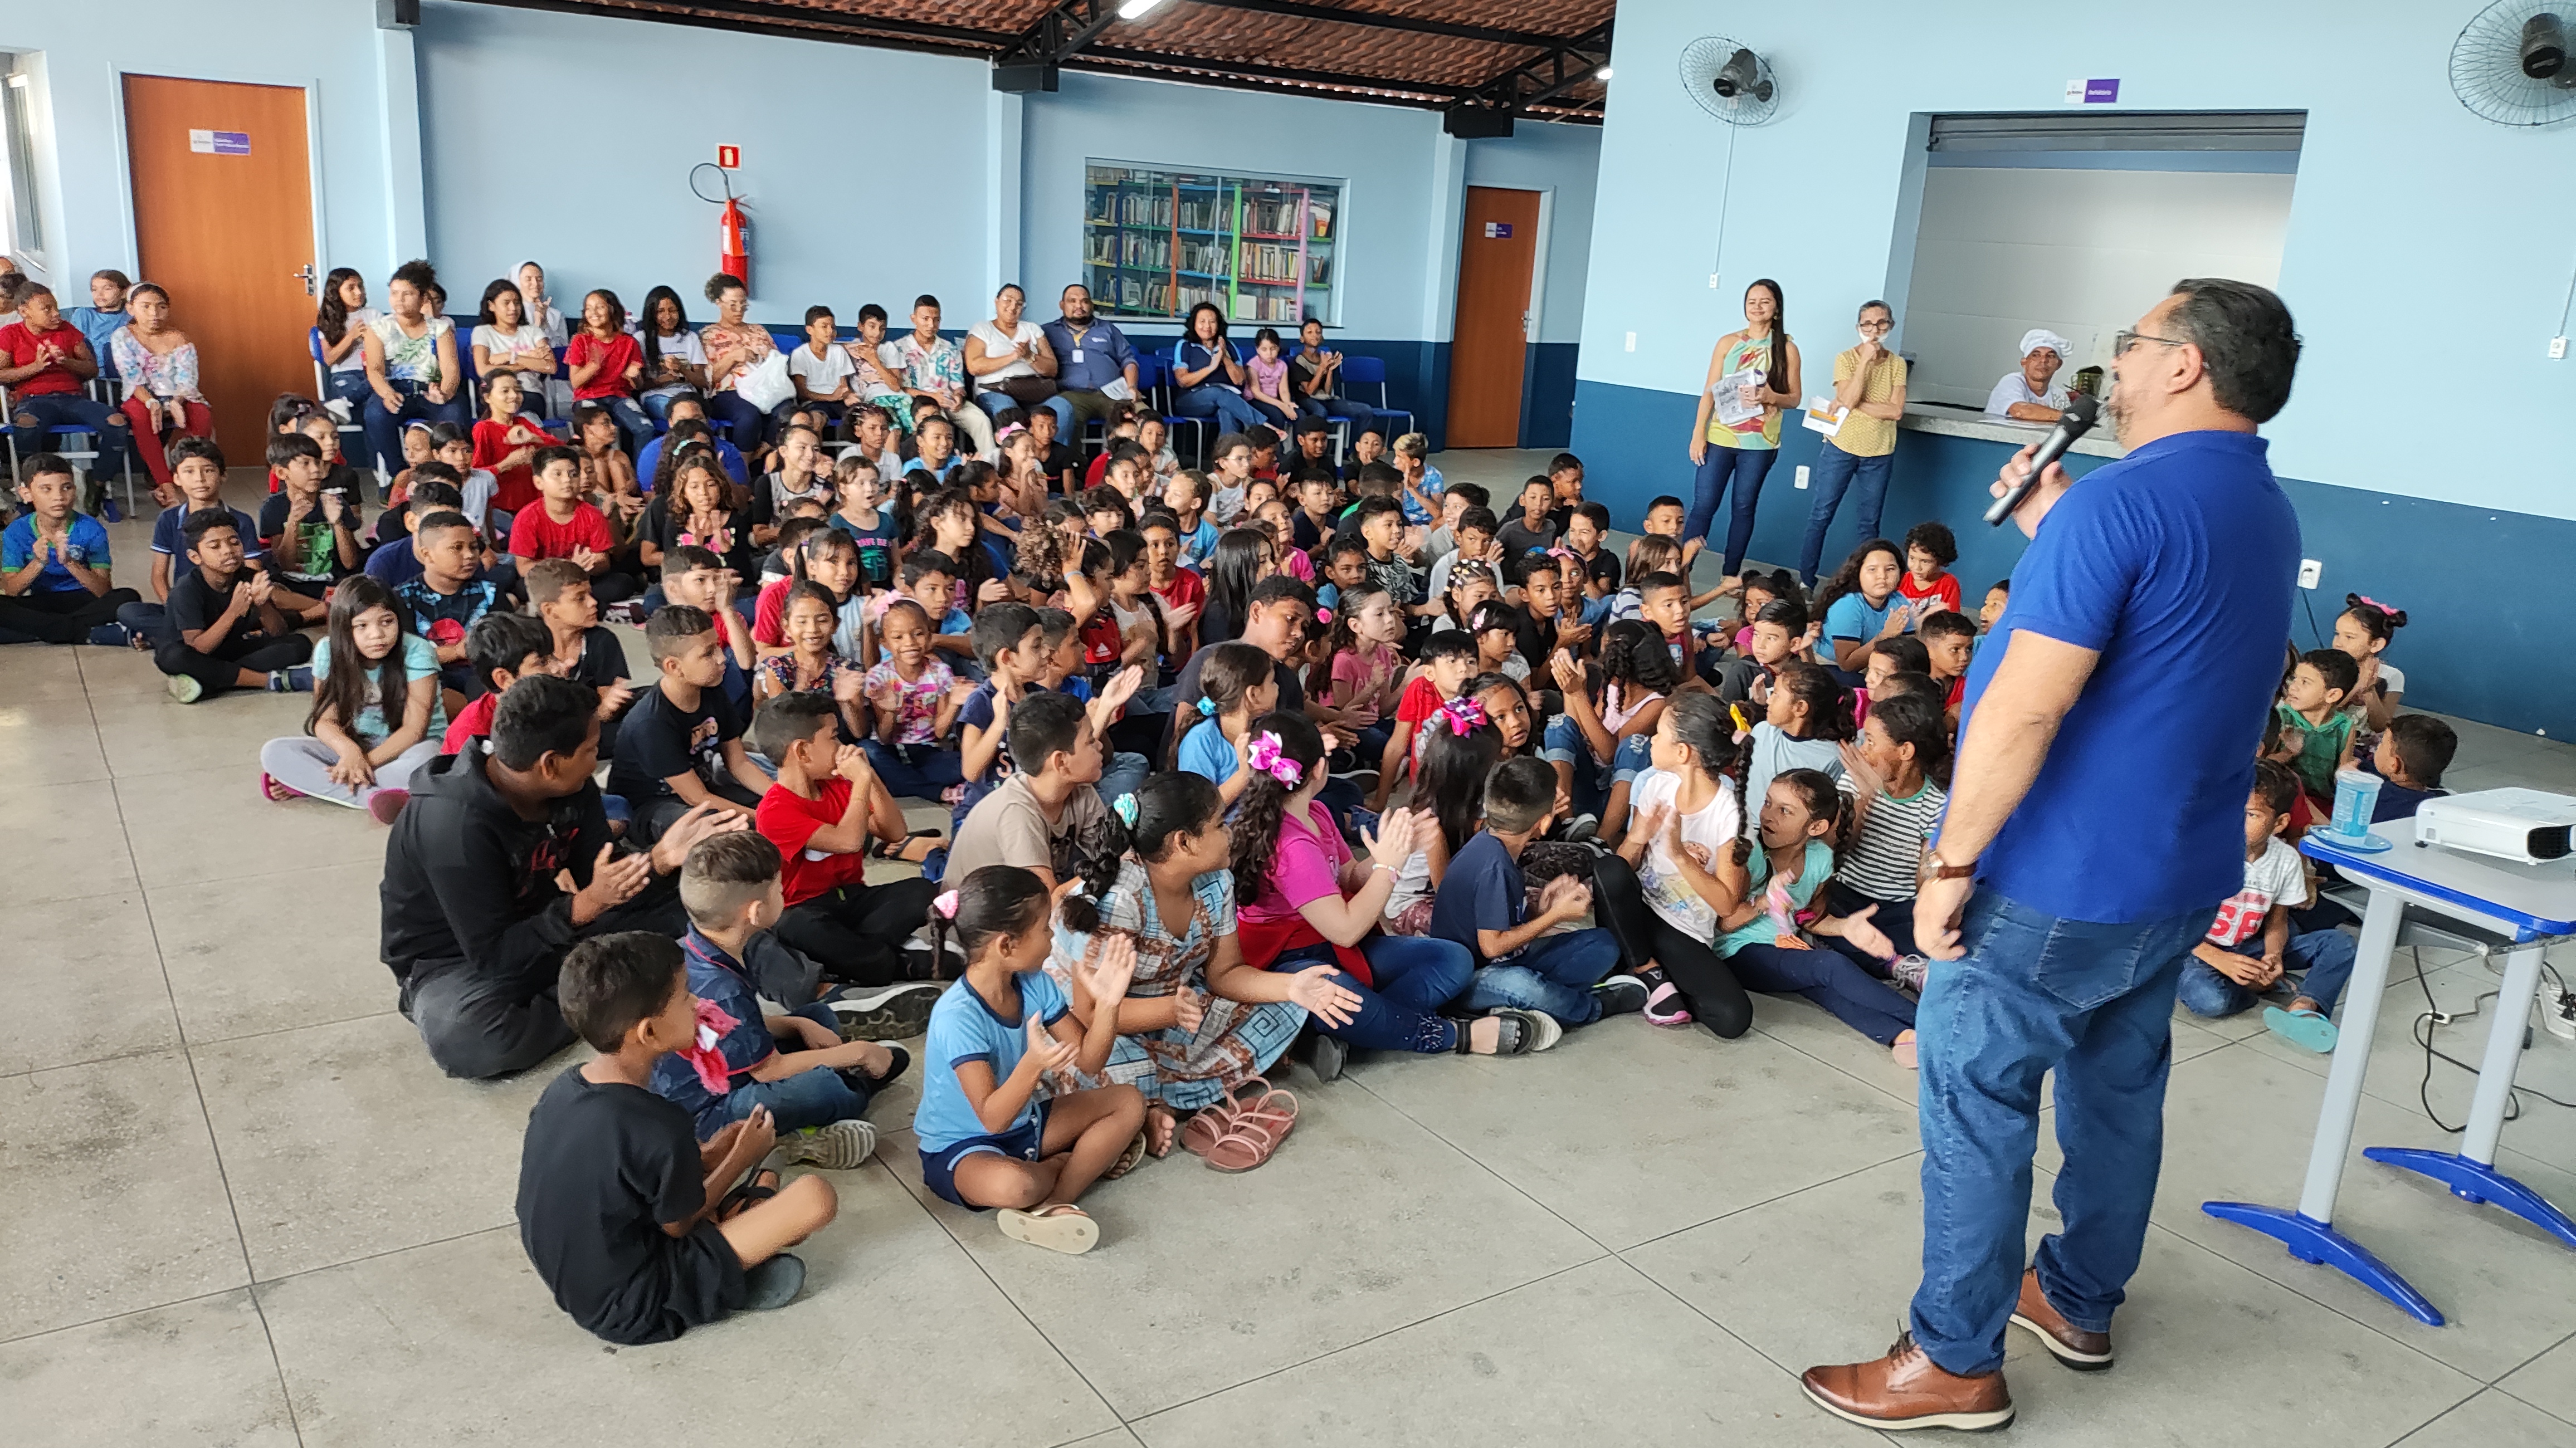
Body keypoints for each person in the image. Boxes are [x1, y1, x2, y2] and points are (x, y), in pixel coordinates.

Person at [1801, 280, 2304, 1430]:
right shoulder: (2260, 505)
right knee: (2117, 1092)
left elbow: (2022, 711)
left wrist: (1944, 867)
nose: (2112, 368)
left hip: (2055, 883)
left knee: (1976, 1100)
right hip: (2175, 874)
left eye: (2129, 345)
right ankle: (2075, 1299)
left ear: (2181, 366)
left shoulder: (2116, 510)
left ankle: (1951, 1360)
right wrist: (2055, 524)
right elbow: (2164, 639)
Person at [388, 673, 740, 1078]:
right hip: (459, 962)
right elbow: (495, 955)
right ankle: (603, 998)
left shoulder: (572, 788)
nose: (596, 761)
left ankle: (600, 990)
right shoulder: (453, 826)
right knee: (469, 1038)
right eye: (591, 750)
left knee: (702, 908)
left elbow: (602, 878)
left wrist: (659, 861)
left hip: (554, 929)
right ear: (550, 764)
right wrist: (586, 905)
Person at [515, 930, 832, 1343]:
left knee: (728, 1194)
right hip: (639, 1305)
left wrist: (711, 1152)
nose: (699, 1004)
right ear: (648, 1032)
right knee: (815, 1197)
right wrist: (741, 1157)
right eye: (686, 997)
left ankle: (745, 1225)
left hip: (584, 1286)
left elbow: (626, 1173)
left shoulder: (564, 1088)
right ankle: (727, 1267)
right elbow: (680, 1224)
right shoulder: (660, 1123)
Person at [1228, 712, 1547, 1078]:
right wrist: (1388, 867)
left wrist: (1389, 853)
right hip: (1292, 960)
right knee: (1340, 996)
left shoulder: (1315, 811)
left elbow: (1349, 875)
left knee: (1452, 960)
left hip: (1334, 947)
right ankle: (1451, 1035)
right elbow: (1345, 930)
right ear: (1319, 769)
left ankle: (1356, 1030)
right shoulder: (1291, 844)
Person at [1047, 773, 1330, 1167]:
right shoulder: (1117, 900)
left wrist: (1292, 987)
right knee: (1089, 1064)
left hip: (1179, 1002)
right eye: (1218, 824)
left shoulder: (1216, 880)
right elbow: (1092, 1014)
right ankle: (1145, 1110)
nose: (1229, 833)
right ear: (1183, 842)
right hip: (1100, 1021)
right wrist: (1169, 1010)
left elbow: (1226, 973)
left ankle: (1155, 1106)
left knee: (1285, 1008)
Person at [912, 864, 1149, 1255]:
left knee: (1128, 1102)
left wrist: (1108, 1005)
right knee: (1012, 1186)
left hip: (1027, 1126)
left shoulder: (1035, 983)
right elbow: (991, 1119)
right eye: (1044, 930)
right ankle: (1067, 1166)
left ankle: (1057, 1199)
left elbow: (1090, 1062)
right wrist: (1033, 1063)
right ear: (1007, 945)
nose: (1052, 939)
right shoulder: (958, 1015)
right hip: (962, 1147)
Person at [653, 831, 904, 1160]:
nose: (784, 894)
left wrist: (798, 1024)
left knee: (816, 1017)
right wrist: (858, 1053)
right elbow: (769, 1071)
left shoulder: (691, 949)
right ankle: (847, 1091)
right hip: (707, 1113)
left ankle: (834, 1060)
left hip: (719, 1066)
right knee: (823, 1091)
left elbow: (728, 1026)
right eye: (780, 889)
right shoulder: (722, 989)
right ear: (756, 912)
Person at [751, 693, 944, 1015]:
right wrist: (861, 784)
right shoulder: (774, 810)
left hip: (852, 898)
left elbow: (895, 833)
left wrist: (870, 778)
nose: (841, 745)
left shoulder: (838, 785)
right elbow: (849, 841)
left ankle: (852, 962)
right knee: (796, 929)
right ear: (801, 751)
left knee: (921, 890)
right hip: (806, 909)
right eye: (832, 737)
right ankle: (898, 964)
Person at [1428, 756, 1641, 1031]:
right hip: (1467, 981)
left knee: (1603, 944)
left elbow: (1497, 922)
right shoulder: (1493, 865)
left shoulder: (1494, 843)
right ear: (1543, 824)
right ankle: (1591, 1007)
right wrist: (1554, 916)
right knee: (1523, 985)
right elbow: (1491, 946)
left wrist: (1540, 909)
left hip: (1507, 961)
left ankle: (1521, 1005)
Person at [2175, 759, 2360, 1053]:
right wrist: (2221, 961)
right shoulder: (2202, 854)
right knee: (2207, 999)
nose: (2235, 821)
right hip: (2193, 950)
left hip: (2250, 945)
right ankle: (2250, 987)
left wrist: (2273, 955)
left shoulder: (2285, 859)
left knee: (2340, 944)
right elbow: (2172, 925)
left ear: (2280, 824)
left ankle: (2303, 1007)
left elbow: (2277, 920)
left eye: (2250, 814)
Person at [612, 605, 770, 842]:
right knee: (728, 832)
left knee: (774, 802)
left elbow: (739, 764)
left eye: (717, 645)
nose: (721, 657)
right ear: (673, 667)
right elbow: (697, 798)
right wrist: (765, 820)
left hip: (703, 790)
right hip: (656, 807)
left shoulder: (712, 690)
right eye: (708, 653)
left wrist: (783, 799)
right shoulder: (651, 723)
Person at [1684, 278, 1800, 580]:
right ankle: (1682, 570)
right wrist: (1699, 433)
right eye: (1752, 301)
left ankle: (1730, 575)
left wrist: (1770, 397)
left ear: (1776, 308)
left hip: (1760, 443)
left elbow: (1795, 399)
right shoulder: (1728, 343)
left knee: (1743, 508)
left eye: (1765, 301)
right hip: (1720, 436)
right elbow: (1709, 391)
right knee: (1704, 504)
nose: (1757, 307)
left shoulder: (1787, 348)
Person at [942, 690, 1113, 892]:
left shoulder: (1080, 792)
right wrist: (1107, 869)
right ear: (1061, 762)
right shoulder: (1016, 812)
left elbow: (1113, 852)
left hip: (1024, 904)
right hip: (987, 916)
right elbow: (1048, 902)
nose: (1100, 745)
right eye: (1090, 741)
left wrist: (1114, 864)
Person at [1797, 300, 1909, 586]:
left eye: (1881, 323)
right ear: (1858, 328)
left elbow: (1895, 411)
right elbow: (1847, 398)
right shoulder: (1845, 358)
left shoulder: (1897, 364)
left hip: (1880, 453)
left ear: (1891, 326)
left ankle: (1866, 586)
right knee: (1821, 515)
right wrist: (1863, 364)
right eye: (1868, 324)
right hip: (1840, 448)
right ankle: (1806, 581)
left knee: (1869, 525)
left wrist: (1854, 403)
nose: (1875, 330)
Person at [157, 510, 314, 703]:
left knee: (299, 644)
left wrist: (263, 604)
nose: (228, 551)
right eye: (215, 546)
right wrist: (234, 611)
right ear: (196, 557)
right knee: (175, 657)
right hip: (192, 655)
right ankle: (272, 681)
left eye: (234, 542)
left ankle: (208, 681)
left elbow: (278, 633)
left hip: (228, 650)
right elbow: (199, 647)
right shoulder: (187, 588)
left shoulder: (247, 576)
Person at [1, 452, 141, 645]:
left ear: (75, 489)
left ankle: (45, 631)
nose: (59, 497)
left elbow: (104, 591)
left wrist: (69, 561)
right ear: (27, 494)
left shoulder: (91, 528)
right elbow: (11, 591)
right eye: (46, 489)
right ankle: (86, 632)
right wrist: (38, 563)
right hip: (42, 603)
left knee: (127, 597)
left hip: (85, 601)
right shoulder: (16, 531)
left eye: (66, 488)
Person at [1, 285, 131, 490]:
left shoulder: (68, 331)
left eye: (56, 307)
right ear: (24, 311)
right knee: (26, 425)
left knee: (117, 422)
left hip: (73, 399)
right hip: (34, 400)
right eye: (47, 309)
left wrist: (66, 361)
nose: (56, 314)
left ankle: (97, 484)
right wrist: (34, 368)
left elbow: (91, 369)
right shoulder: (11, 333)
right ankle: (34, 487)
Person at [359, 260, 469, 474]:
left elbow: (451, 369)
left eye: (407, 294)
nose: (398, 300)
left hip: (432, 389)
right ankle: (399, 474)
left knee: (456, 412)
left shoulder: (441, 328)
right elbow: (374, 369)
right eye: (394, 293)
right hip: (396, 390)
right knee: (375, 414)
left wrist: (445, 393)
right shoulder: (378, 329)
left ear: (422, 298)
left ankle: (452, 474)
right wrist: (386, 393)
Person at [107, 283, 210, 505]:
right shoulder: (122, 337)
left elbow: (188, 378)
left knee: (201, 415)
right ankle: (164, 484)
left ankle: (189, 475)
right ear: (131, 308)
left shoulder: (180, 338)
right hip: (140, 395)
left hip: (178, 395)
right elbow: (132, 377)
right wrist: (152, 402)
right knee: (141, 417)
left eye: (161, 307)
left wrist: (176, 401)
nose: (154, 314)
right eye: (146, 307)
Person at [880, 293, 994, 456]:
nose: (931, 325)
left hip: (949, 401)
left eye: (936, 320)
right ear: (914, 319)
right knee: (936, 425)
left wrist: (958, 397)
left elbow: (958, 385)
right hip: (919, 403)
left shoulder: (949, 348)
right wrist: (933, 396)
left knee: (981, 420)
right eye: (925, 319)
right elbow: (902, 388)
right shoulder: (899, 349)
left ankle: (989, 467)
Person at [442, 612, 555, 754]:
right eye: (542, 662)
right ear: (504, 679)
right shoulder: (470, 735)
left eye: (553, 657)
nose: (558, 668)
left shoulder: (564, 700)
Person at [696, 273, 778, 460]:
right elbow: (707, 379)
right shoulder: (708, 335)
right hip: (729, 392)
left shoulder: (758, 330)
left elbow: (778, 361)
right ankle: (744, 468)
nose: (739, 309)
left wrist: (767, 358)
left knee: (788, 413)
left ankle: (761, 455)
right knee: (749, 416)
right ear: (719, 303)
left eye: (743, 304)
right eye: (733, 305)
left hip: (765, 389)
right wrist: (733, 357)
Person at [1814, 539, 1916, 689]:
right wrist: (1885, 636)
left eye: (1890, 569)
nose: (1882, 576)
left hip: (1874, 664)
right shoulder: (1848, 605)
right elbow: (1847, 665)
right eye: (1872, 569)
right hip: (1832, 665)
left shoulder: (1899, 601)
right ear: (1858, 572)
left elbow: (1910, 651)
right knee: (1871, 687)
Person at [1041, 283, 1139, 433]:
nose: (1079, 306)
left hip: (1112, 393)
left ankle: (1128, 456)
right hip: (1072, 395)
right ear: (1062, 305)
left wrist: (1131, 388)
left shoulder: (1108, 329)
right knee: (1065, 419)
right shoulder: (1047, 332)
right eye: (1072, 301)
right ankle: (1072, 457)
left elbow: (1129, 361)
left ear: (1091, 305)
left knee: (1142, 418)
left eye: (1085, 301)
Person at [564, 288, 652, 453]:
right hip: (589, 397)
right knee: (596, 433)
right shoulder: (580, 340)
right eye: (588, 308)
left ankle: (638, 475)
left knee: (646, 429)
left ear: (612, 310)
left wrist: (634, 376)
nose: (593, 313)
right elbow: (575, 382)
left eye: (600, 307)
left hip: (619, 397)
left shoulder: (629, 343)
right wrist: (594, 365)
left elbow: (638, 386)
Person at [2266, 649, 2358, 804]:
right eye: (2295, 679)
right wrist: (2288, 754)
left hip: (2325, 801)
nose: (2293, 687)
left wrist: (2348, 775)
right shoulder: (2282, 718)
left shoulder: (2344, 727)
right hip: (2286, 800)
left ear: (2332, 695)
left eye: (2305, 682)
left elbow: (2342, 770)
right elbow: (2264, 766)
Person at [469, 279, 560, 420]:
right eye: (506, 303)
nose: (513, 308)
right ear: (491, 306)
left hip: (528, 392)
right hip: (496, 394)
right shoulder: (483, 332)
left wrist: (512, 357)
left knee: (524, 417)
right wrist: (530, 361)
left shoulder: (533, 332)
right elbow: (483, 370)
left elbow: (550, 366)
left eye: (517, 302)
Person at [1172, 302, 1265, 434]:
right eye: (1202, 321)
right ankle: (1262, 427)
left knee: (1227, 411)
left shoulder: (1230, 346)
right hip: (1191, 400)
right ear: (1193, 324)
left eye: (1212, 322)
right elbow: (1182, 381)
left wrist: (1225, 357)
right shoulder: (1185, 345)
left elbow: (1239, 381)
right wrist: (1212, 367)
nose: (1207, 326)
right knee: (1218, 392)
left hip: (1227, 399)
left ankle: (1227, 452)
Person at [2332, 593, 2408, 735]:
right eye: (2337, 634)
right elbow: (2320, 717)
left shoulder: (2392, 676)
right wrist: (2358, 687)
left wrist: (2369, 691)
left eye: (2349, 637)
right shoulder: (2326, 667)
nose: (2339, 643)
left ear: (2376, 644)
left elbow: (2381, 726)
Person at [634, 285, 708, 422]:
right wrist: (663, 379)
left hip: (687, 395)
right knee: (682, 414)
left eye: (673, 310)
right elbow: (639, 386)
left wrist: (682, 369)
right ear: (652, 314)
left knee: (692, 411)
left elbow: (702, 382)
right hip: (656, 396)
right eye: (660, 311)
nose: (668, 317)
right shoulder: (641, 339)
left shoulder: (690, 338)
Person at [313, 268, 380, 413]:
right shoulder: (328, 321)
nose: (359, 292)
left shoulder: (373, 315)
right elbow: (329, 359)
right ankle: (342, 403)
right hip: (345, 374)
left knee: (378, 383)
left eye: (361, 286)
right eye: (351, 288)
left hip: (373, 370)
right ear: (336, 292)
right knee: (361, 386)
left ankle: (342, 405)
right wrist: (352, 336)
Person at [1289, 316, 1374, 424]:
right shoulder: (1298, 361)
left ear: (1322, 338)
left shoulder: (1325, 358)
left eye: (1318, 332)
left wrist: (1330, 370)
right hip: (1307, 400)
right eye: (1310, 332)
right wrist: (1322, 368)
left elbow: (1328, 392)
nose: (1315, 336)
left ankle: (1364, 441)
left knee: (1365, 410)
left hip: (1327, 400)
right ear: (1302, 338)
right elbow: (1310, 391)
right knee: (1321, 412)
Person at [1985, 328, 2074, 422]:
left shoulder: (2059, 395)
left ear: (2059, 364)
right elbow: (2020, 411)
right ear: (2024, 363)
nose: (2043, 361)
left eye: (2051, 356)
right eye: (2036, 355)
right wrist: (2070, 418)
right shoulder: (2011, 382)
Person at [65, 269, 131, 377]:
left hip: (123, 373)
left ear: (124, 292)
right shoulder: (84, 315)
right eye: (94, 290)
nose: (99, 294)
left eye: (107, 289)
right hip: (92, 375)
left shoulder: (130, 318)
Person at [1897, 522, 1962, 615]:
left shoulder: (1949, 584)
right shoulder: (1901, 581)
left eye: (1925, 562)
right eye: (1912, 558)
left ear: (1941, 561)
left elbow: (1952, 620)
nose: (1917, 567)